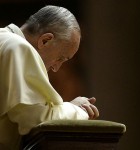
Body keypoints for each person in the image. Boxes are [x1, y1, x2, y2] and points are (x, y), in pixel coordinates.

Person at [0, 5, 99, 150]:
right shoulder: (18, 47)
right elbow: (36, 120)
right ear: (45, 40)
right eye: (60, 58)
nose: (56, 68)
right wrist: (77, 109)